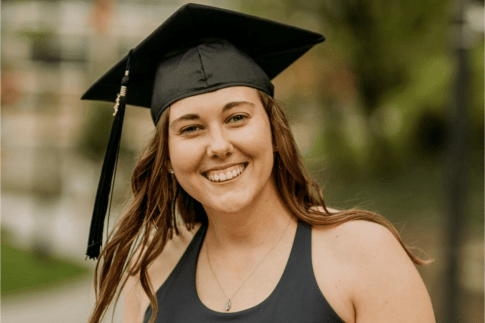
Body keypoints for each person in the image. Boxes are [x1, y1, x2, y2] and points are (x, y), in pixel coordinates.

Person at [82, 4, 435, 323]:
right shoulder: (152, 268)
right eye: (191, 128)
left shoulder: (363, 254)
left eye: (236, 117)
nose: (219, 146)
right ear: (168, 157)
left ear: (274, 132)